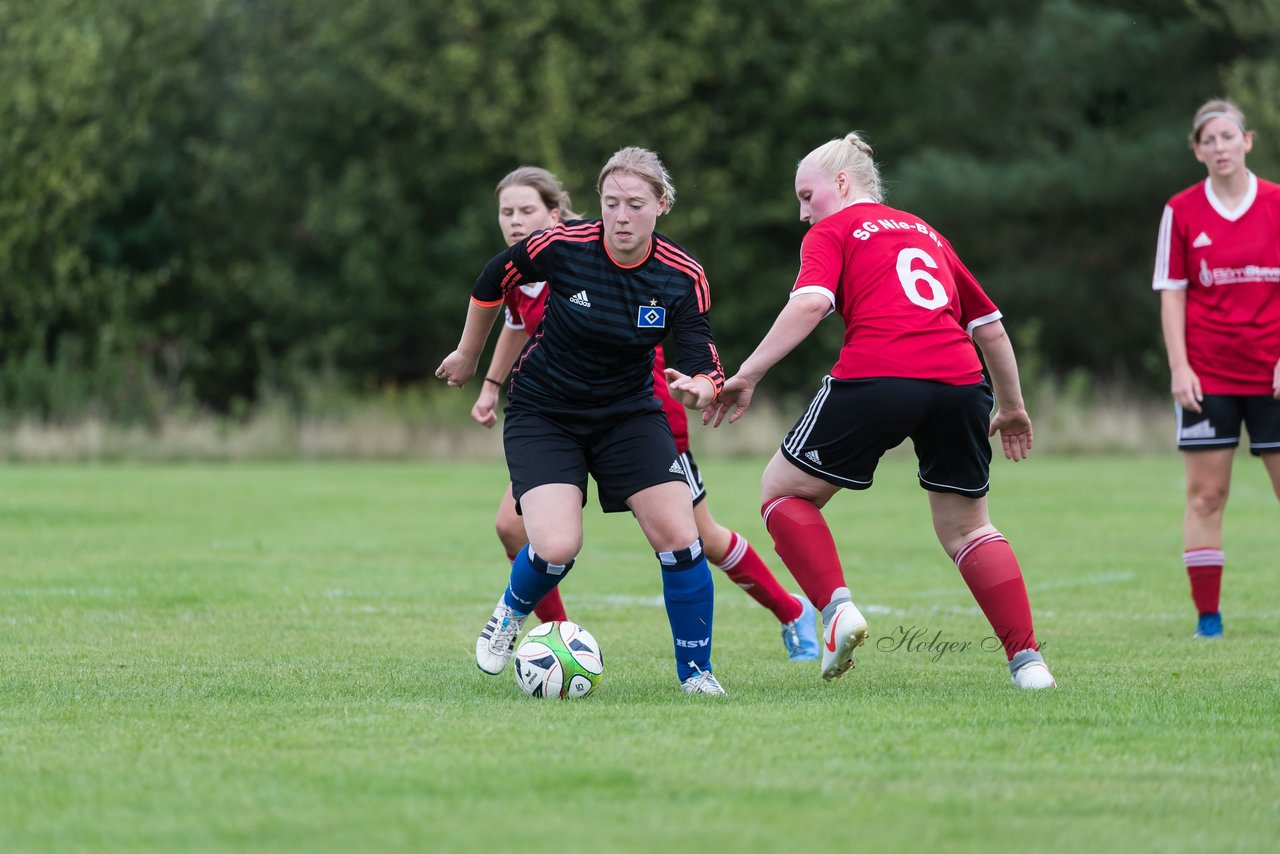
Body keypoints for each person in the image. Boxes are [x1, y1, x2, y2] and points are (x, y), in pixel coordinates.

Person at [705, 131, 1056, 690]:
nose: (803, 213)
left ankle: (837, 610)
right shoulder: (925, 231)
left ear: (841, 183)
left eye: (806, 195)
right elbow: (988, 327)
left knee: (782, 493)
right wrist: (1012, 406)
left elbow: (813, 302)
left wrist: (747, 373)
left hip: (880, 374)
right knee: (969, 529)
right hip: (961, 383)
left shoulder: (834, 229)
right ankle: (1030, 665)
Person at [470, 166, 821, 661]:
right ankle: (558, 638)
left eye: (525, 211)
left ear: (554, 215)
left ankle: (791, 611)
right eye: (506, 212)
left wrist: (700, 385)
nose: (512, 221)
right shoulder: (528, 275)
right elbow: (514, 325)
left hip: (646, 408)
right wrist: (488, 385)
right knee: (520, 529)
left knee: (699, 536)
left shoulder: (575, 257)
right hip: (555, 410)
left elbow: (688, 346)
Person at [438, 147, 730, 694]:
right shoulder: (562, 246)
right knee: (555, 546)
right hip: (545, 411)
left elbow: (702, 357)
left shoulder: (681, 276)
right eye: (611, 202)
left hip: (628, 414)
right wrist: (468, 355)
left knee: (681, 538)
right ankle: (508, 614)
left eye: (636, 204)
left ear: (661, 205)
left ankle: (697, 674)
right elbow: (490, 279)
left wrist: (701, 387)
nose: (621, 216)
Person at [1151, 99, 1280, 639]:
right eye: (1210, 140)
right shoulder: (1181, 210)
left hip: (1272, 373)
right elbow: (1172, 294)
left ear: (1247, 141)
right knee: (1206, 495)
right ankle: (1209, 619)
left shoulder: (1277, 202)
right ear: (1198, 150)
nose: (1220, 147)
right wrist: (1180, 368)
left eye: (1229, 137)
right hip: (1209, 376)